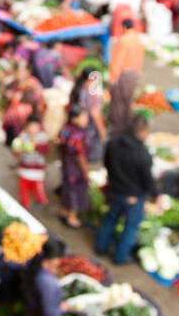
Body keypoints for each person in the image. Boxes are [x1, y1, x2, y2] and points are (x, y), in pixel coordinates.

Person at [95, 115, 157, 265]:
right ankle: (120, 257)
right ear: (142, 132)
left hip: (115, 189)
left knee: (110, 218)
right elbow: (147, 180)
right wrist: (156, 195)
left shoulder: (113, 143)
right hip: (133, 197)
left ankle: (101, 246)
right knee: (131, 227)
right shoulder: (142, 154)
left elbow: (107, 163)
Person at [57, 106, 93, 228]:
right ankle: (72, 217)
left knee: (67, 187)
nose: (86, 119)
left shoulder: (65, 128)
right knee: (76, 192)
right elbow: (81, 156)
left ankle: (63, 210)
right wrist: (86, 173)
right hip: (75, 169)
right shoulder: (79, 135)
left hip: (66, 164)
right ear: (74, 118)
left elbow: (59, 142)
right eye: (83, 117)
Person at [107, 18, 146, 133]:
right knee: (129, 102)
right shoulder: (138, 39)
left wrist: (112, 79)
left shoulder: (123, 40)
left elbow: (117, 61)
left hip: (123, 74)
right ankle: (128, 127)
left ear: (124, 28)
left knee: (118, 103)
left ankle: (118, 129)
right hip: (134, 74)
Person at [12, 116, 50, 209]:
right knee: (23, 187)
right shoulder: (22, 136)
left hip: (37, 169)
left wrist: (36, 145)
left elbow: (45, 151)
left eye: (35, 126)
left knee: (38, 187)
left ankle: (42, 200)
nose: (33, 129)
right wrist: (17, 151)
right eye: (31, 126)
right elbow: (17, 150)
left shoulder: (42, 137)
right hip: (24, 168)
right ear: (26, 127)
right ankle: (25, 203)